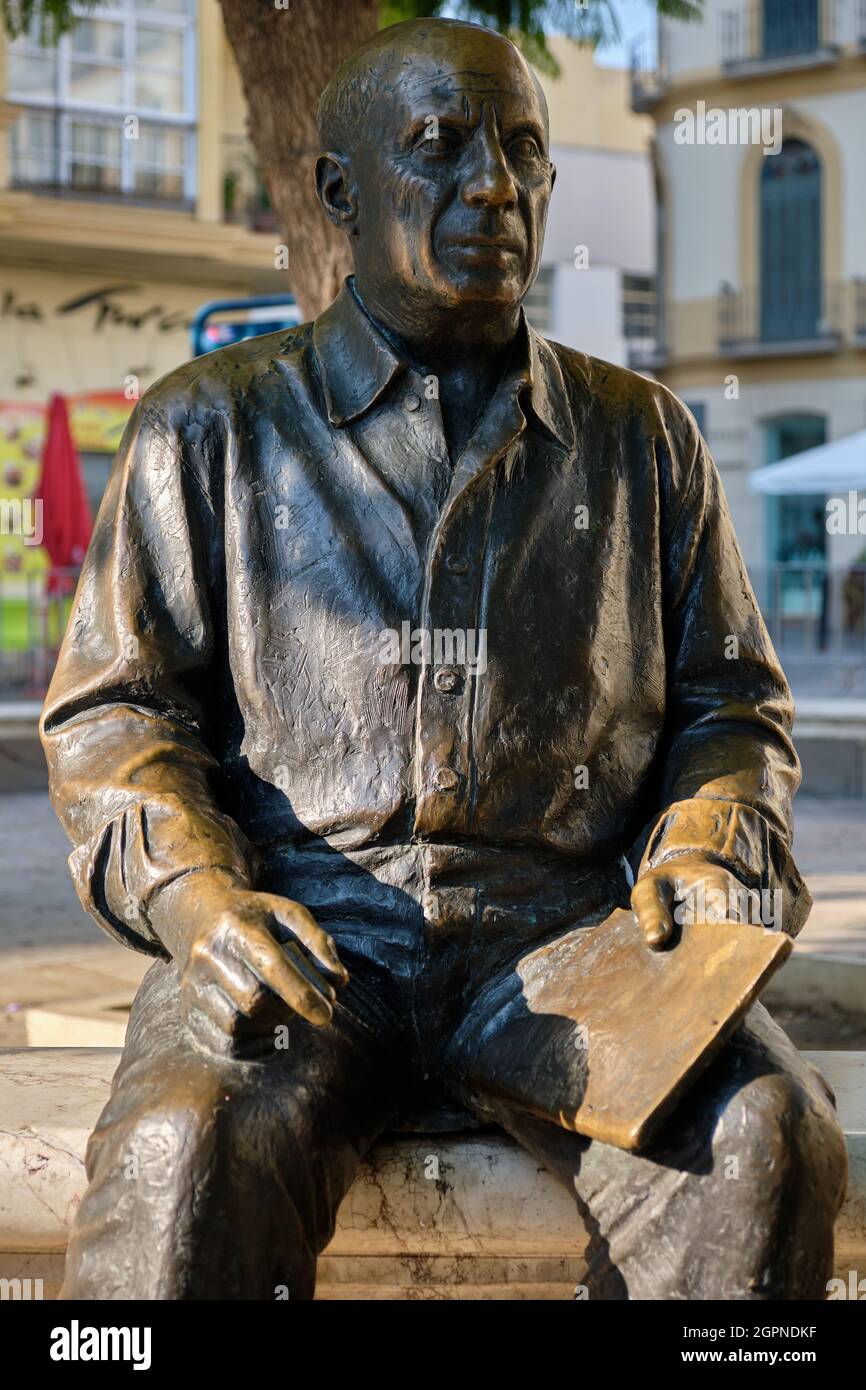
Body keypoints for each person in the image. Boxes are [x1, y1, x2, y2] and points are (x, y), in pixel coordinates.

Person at [41, 18, 846, 1300]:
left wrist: (703, 847)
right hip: (307, 933)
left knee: (765, 1139)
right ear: (339, 194)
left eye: (521, 152)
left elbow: (728, 709)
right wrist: (201, 903)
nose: (491, 184)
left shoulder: (644, 442)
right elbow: (116, 720)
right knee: (174, 1158)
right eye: (440, 145)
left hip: (568, 946)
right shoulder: (204, 432)